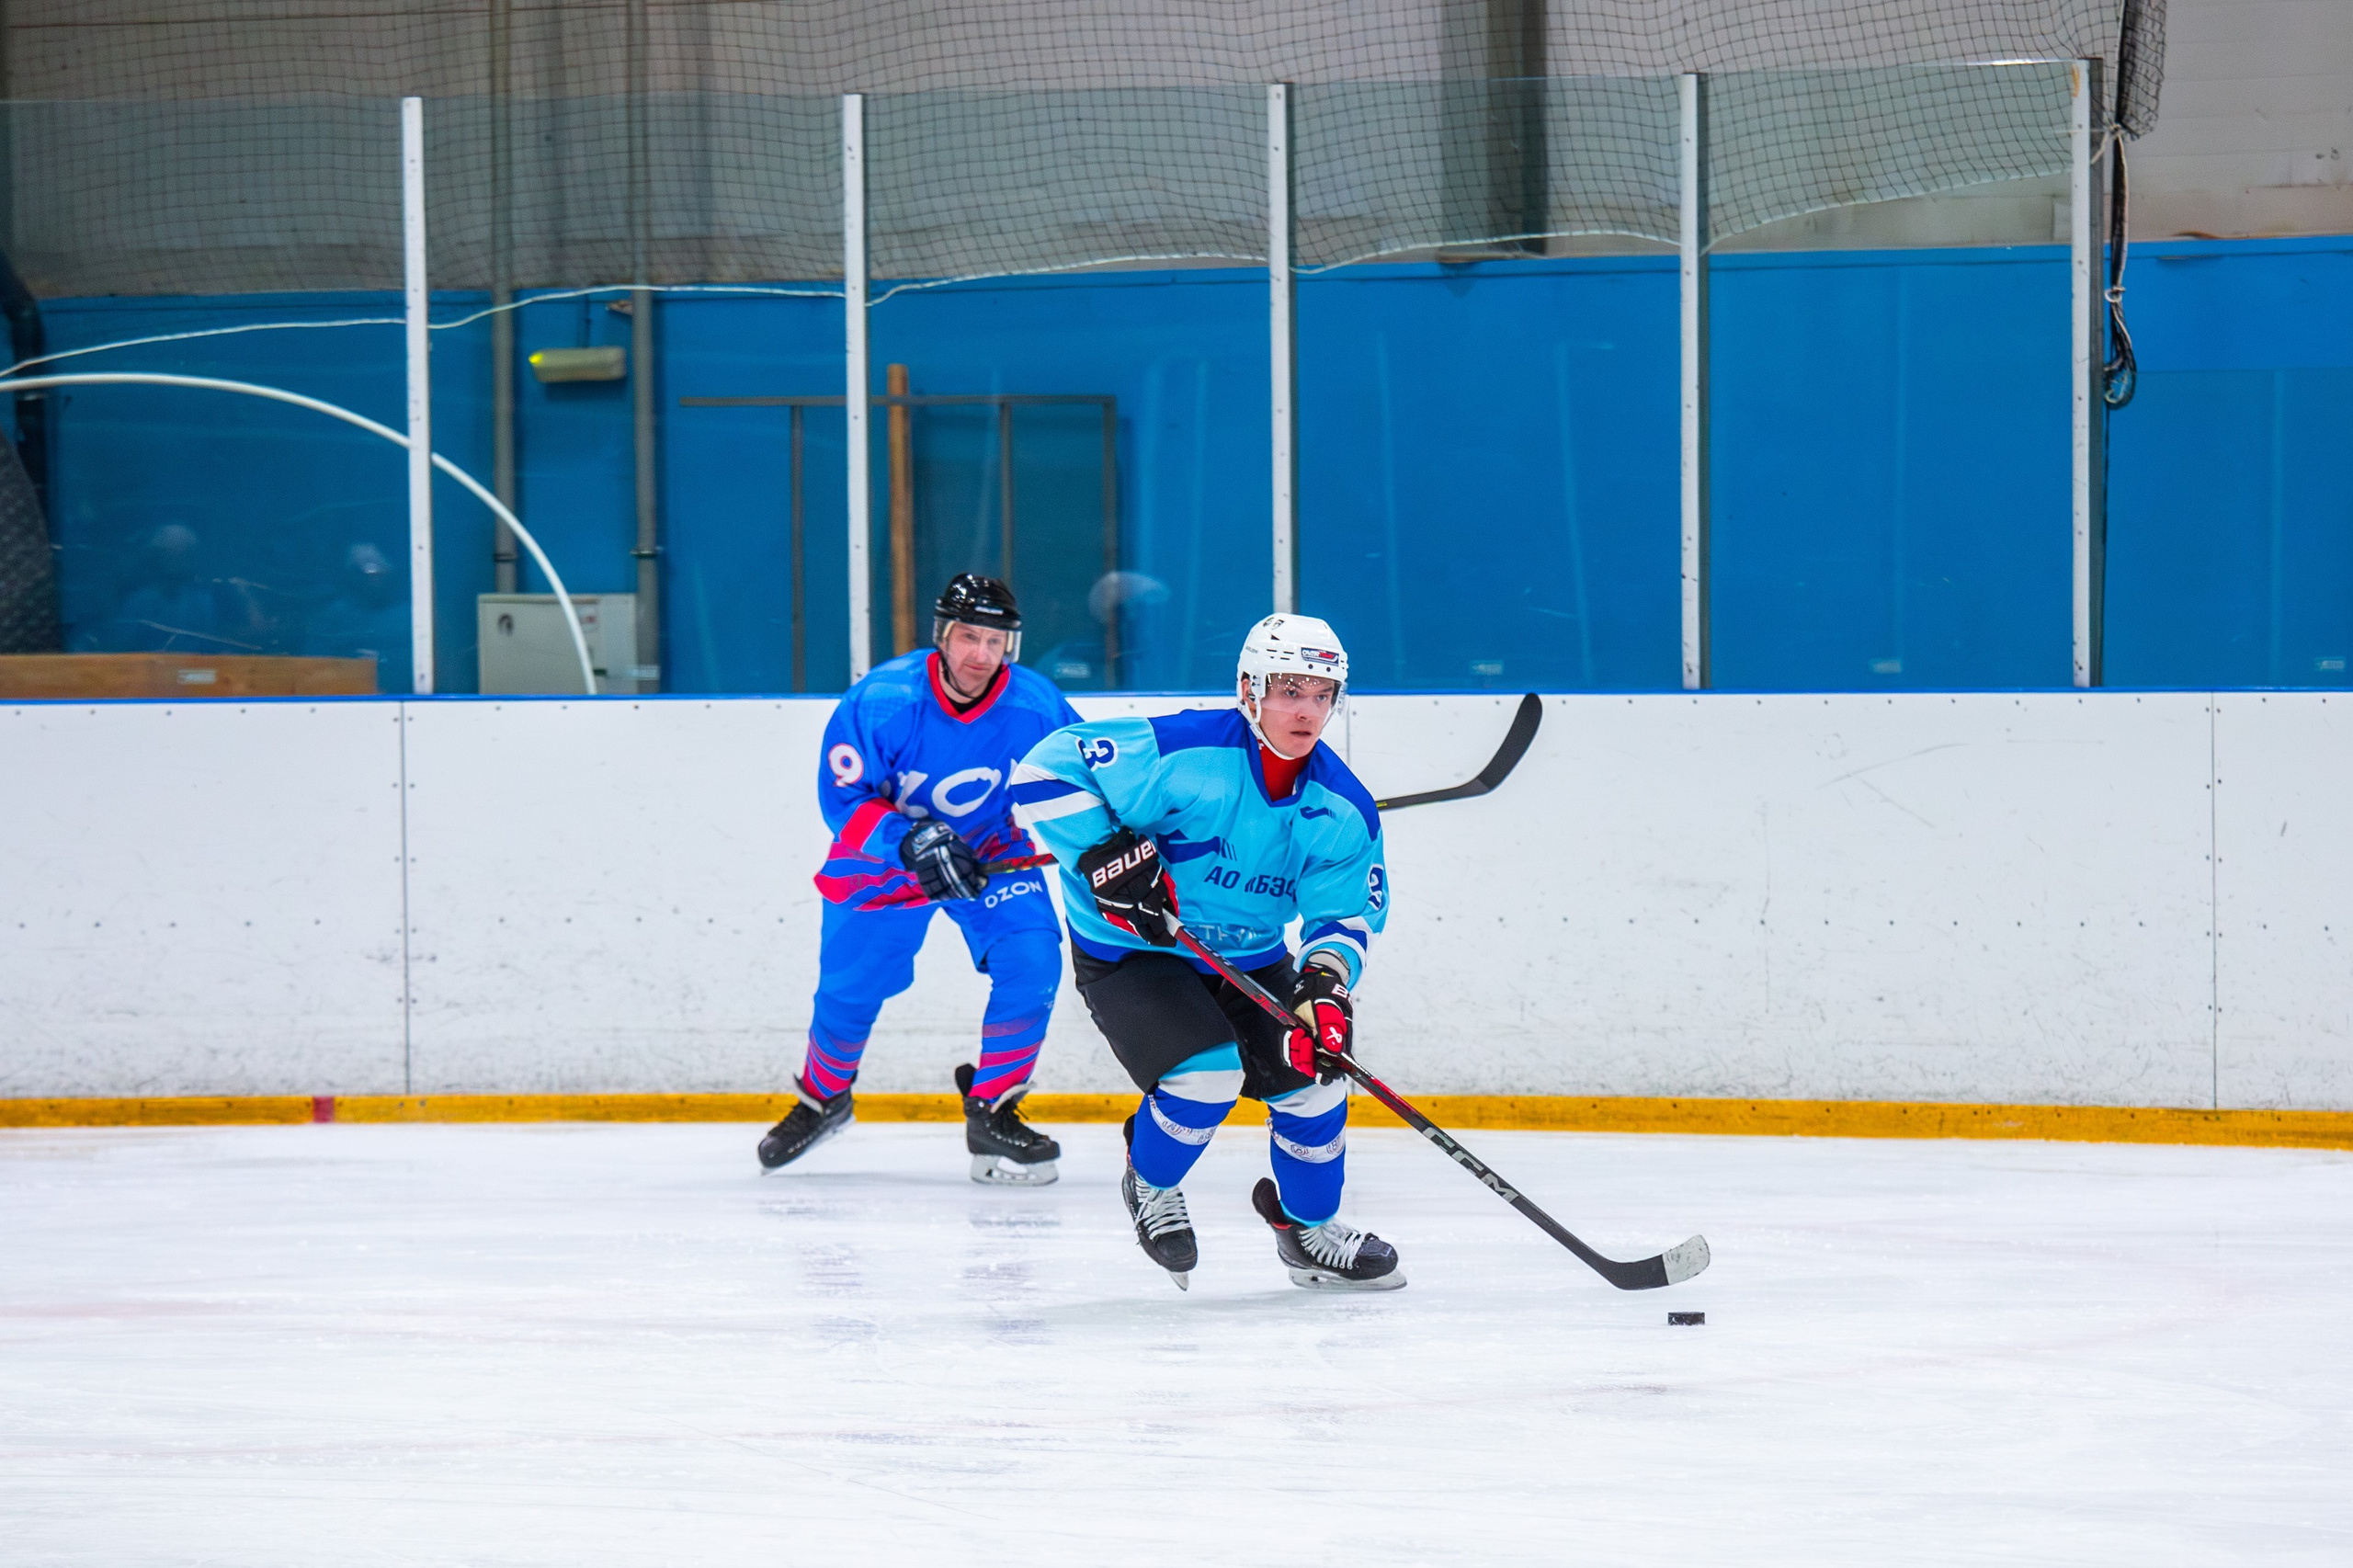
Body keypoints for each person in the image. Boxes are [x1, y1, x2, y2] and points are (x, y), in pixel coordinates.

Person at [1010, 614, 1402, 1290]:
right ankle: (1150, 1180)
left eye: (1321, 694)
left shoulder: (1342, 806)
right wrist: (1103, 854)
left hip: (1250, 957)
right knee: (1206, 1078)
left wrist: (1324, 985)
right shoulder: (1180, 749)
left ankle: (1305, 1229)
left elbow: (1344, 917)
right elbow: (1041, 774)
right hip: (1136, 951)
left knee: (1318, 1078)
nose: (1306, 710)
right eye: (1288, 690)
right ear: (1249, 690)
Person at [757, 574, 1082, 1184]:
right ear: (942, 636)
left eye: (994, 640)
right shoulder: (883, 700)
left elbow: (1085, 778)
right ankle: (823, 1098)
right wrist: (906, 840)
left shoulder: (1036, 705)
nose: (980, 655)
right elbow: (841, 798)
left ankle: (993, 1107)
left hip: (989, 851)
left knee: (1033, 959)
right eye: (967, 637)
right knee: (849, 990)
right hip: (885, 858)